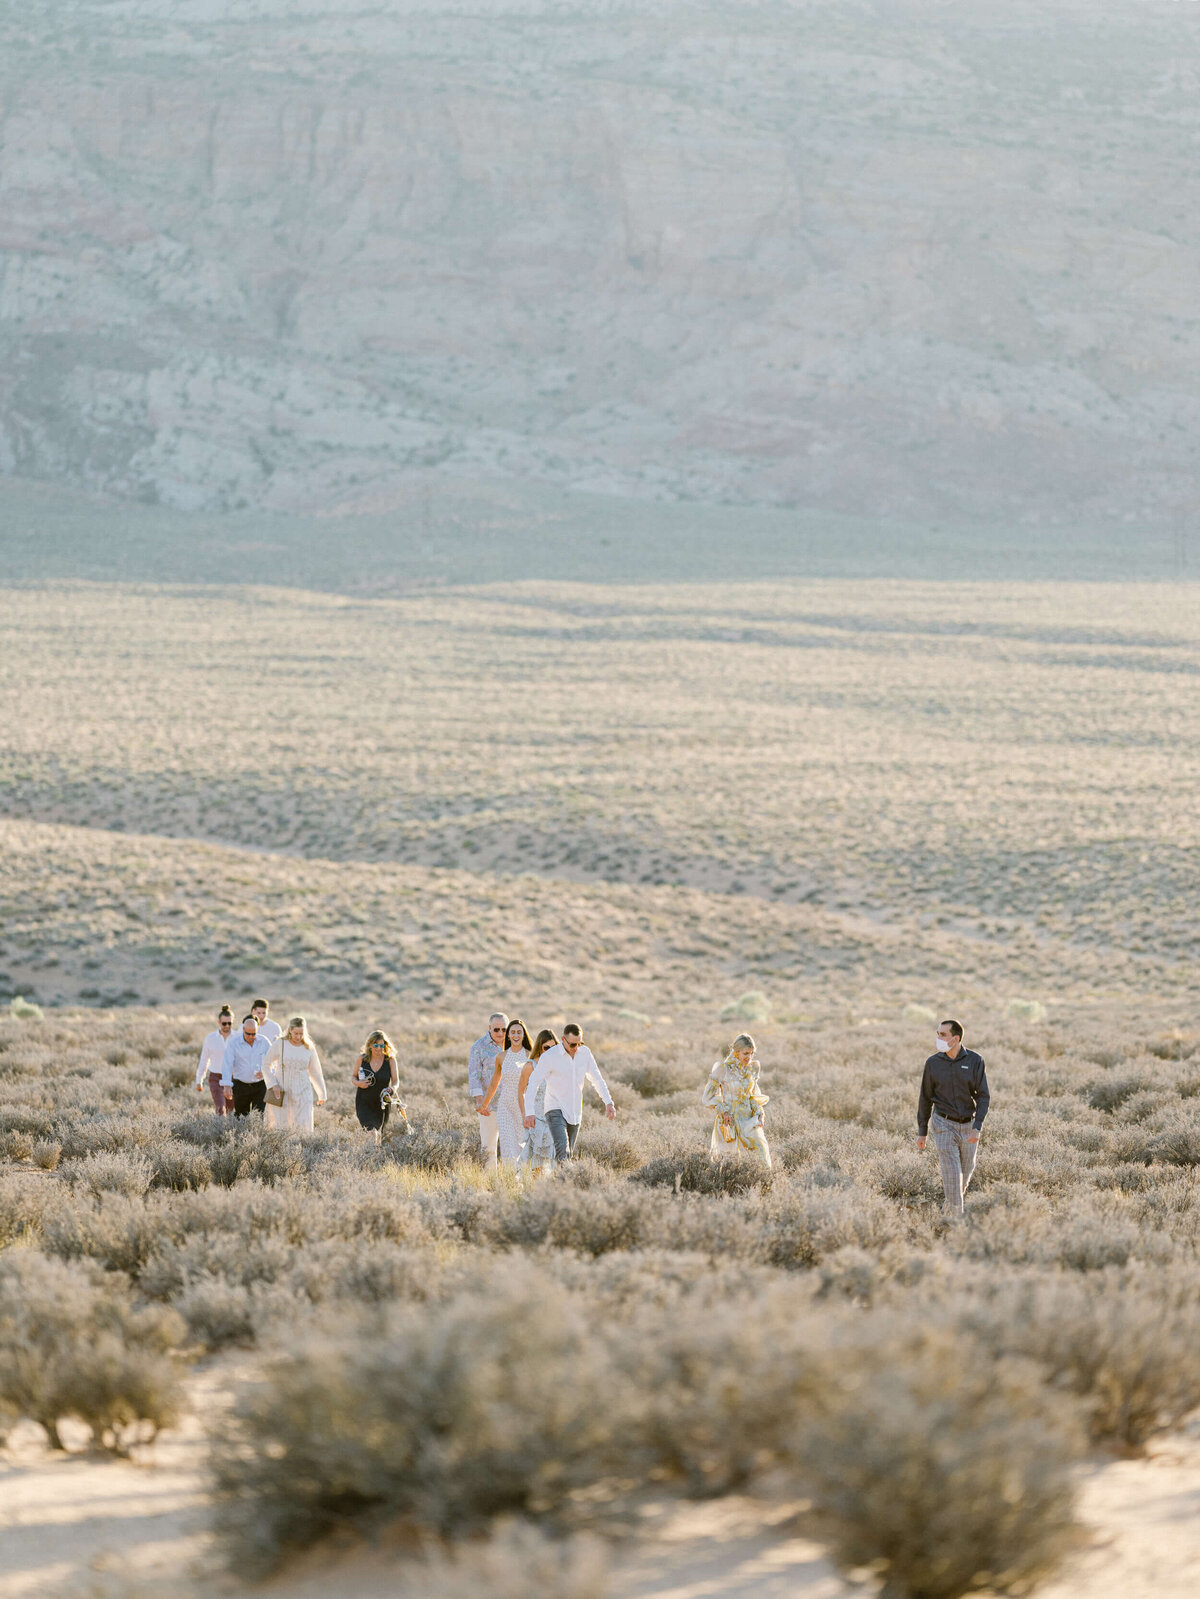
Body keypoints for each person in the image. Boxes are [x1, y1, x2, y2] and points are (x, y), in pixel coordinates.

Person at [916, 1019, 990, 1217]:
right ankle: (957, 1225)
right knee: (952, 1178)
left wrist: (977, 1127)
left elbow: (983, 1096)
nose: (938, 1038)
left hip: (968, 1127)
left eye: (943, 1034)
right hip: (943, 1124)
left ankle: (945, 1218)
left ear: (955, 1039)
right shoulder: (932, 1063)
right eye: (938, 1034)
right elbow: (925, 1097)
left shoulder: (975, 1061)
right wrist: (922, 1132)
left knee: (963, 1178)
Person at [521, 1023, 615, 1164]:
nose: (576, 1048)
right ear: (563, 1040)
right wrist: (529, 1112)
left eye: (579, 1043)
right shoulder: (550, 1056)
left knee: (568, 1153)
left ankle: (561, 1183)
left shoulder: (585, 1053)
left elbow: (597, 1079)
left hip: (575, 1110)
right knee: (562, 1150)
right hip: (554, 1108)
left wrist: (608, 1102)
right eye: (572, 1045)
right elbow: (533, 1082)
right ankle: (565, 1178)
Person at [702, 1032, 771, 1168]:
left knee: (761, 1156)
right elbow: (707, 1098)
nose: (749, 1057)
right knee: (729, 1163)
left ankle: (764, 1186)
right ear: (736, 1052)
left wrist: (759, 1112)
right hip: (729, 1122)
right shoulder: (723, 1069)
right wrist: (723, 1111)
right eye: (746, 1054)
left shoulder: (752, 1069)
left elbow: (753, 1095)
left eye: (751, 1053)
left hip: (748, 1120)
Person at [479, 1018, 534, 1167]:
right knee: (507, 1145)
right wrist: (484, 1104)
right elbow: (494, 1083)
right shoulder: (501, 1057)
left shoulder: (530, 1055)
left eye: (519, 1032)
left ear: (523, 1035)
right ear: (508, 1035)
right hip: (505, 1106)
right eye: (513, 1032)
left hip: (523, 1107)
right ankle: (511, 1179)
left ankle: (522, 1178)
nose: (516, 1035)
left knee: (521, 1145)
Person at [262, 1016, 327, 1134]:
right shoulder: (280, 1043)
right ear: (290, 1030)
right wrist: (272, 1084)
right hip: (282, 1089)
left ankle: (300, 1149)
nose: (298, 1037)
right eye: (296, 1033)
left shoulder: (309, 1047)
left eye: (301, 1033)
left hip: (303, 1090)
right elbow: (266, 1064)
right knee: (280, 1125)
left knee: (302, 1125)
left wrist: (321, 1093)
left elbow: (315, 1072)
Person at [468, 1013, 509, 1173]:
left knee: (511, 1147)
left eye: (504, 1029)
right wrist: (480, 1102)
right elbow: (474, 1075)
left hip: (510, 1104)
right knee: (489, 1147)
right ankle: (490, 1181)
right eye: (496, 1029)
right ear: (489, 1028)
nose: (500, 1033)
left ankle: (511, 1182)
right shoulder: (479, 1047)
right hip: (488, 1106)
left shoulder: (515, 1045)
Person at [516, 1028, 559, 1178]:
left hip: (554, 1118)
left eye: (553, 1048)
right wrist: (525, 1114)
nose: (550, 1051)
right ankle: (535, 1190)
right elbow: (521, 1091)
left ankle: (549, 1191)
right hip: (536, 1119)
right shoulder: (530, 1066)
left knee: (554, 1159)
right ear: (540, 1046)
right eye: (546, 1047)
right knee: (536, 1160)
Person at [220, 1013, 273, 1118]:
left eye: (254, 1034)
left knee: (258, 1116)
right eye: (248, 1033)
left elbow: (273, 1061)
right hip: (240, 1086)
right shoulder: (233, 1044)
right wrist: (227, 1085)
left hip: (260, 1085)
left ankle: (256, 1134)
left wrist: (266, 1071)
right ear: (243, 1029)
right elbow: (227, 1064)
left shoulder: (264, 1042)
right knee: (241, 1116)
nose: (251, 1037)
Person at [353, 1029, 401, 1143]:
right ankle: (370, 1155)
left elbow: (395, 1081)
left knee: (379, 1135)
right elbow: (353, 1077)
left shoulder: (390, 1061)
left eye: (381, 1045)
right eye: (375, 1045)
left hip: (382, 1103)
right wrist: (359, 1083)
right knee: (371, 1132)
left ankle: (374, 1157)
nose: (379, 1048)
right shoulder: (362, 1059)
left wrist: (392, 1089)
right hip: (364, 1102)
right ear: (369, 1045)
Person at [194, 1006, 235, 1115]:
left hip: (233, 1078)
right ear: (219, 1022)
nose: (227, 1026)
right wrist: (199, 1080)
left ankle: (230, 1131)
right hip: (216, 1078)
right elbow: (204, 1060)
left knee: (232, 1111)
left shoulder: (237, 1037)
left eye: (229, 1023)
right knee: (220, 1109)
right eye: (224, 1023)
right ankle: (220, 1131)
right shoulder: (210, 1038)